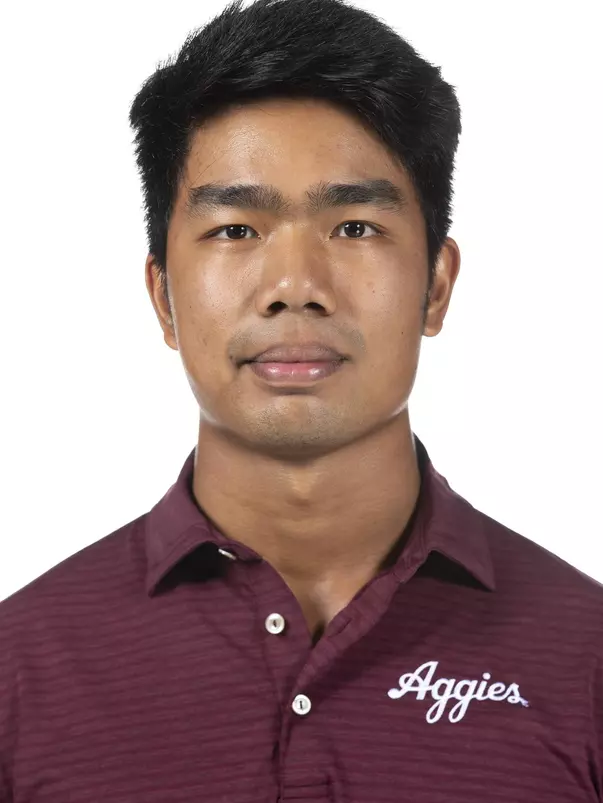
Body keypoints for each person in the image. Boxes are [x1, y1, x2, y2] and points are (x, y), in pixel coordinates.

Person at [1, 0, 602, 799]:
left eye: (353, 227)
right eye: (235, 230)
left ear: (436, 285)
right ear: (163, 298)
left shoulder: (585, 656)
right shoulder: (19, 669)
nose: (295, 289)